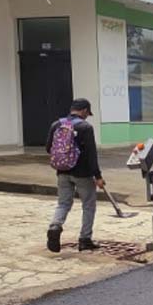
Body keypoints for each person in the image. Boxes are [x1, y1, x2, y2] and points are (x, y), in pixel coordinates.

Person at [46, 98, 105, 253]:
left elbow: (48, 148)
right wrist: (98, 176)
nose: (87, 116)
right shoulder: (85, 127)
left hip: (62, 171)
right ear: (84, 110)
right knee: (88, 205)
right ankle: (85, 239)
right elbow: (91, 155)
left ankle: (55, 226)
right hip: (83, 174)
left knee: (63, 203)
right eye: (87, 113)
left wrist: (64, 158)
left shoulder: (56, 124)